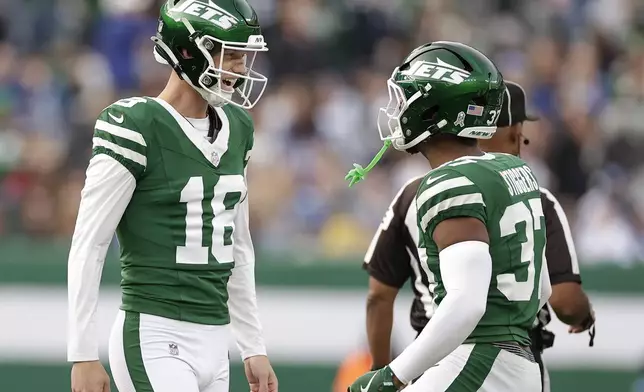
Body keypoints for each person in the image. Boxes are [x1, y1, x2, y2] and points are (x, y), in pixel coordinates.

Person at [67, 1, 277, 392]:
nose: (239, 67)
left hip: (217, 341)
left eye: (243, 56)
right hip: (154, 332)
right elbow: (90, 243)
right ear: (187, 50)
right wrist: (82, 352)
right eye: (230, 54)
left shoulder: (239, 128)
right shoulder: (136, 124)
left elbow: (239, 245)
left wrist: (253, 345)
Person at [361, 80, 595, 392]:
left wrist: (388, 373)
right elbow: (545, 291)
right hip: (519, 358)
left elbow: (460, 303)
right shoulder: (521, 175)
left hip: (470, 356)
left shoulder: (436, 186)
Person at [346, 41, 549, 392]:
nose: (397, 109)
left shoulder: (450, 182)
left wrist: (392, 374)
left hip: (480, 361)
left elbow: (467, 304)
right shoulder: (513, 169)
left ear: (432, 107)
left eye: (405, 98)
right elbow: (541, 287)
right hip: (521, 365)